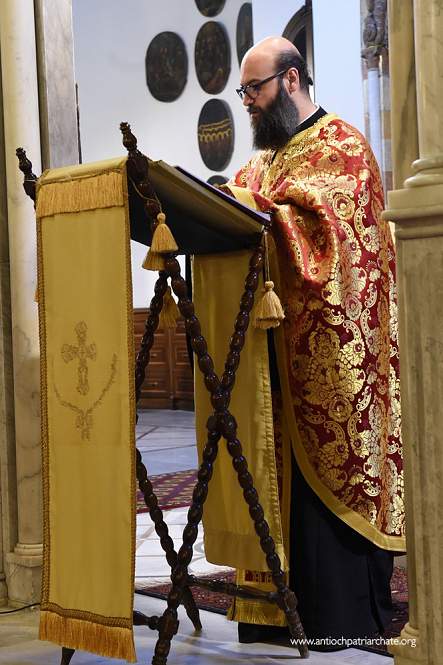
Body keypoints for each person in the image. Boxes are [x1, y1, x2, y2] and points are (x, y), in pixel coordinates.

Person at [216, 36, 405, 648]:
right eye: (243, 91)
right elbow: (244, 213)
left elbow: (341, 243)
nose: (247, 101)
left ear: (292, 80)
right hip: (264, 362)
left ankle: (336, 618)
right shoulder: (257, 166)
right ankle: (270, 615)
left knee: (323, 501)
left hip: (327, 359)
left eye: (255, 88)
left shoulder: (343, 147)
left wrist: (267, 216)